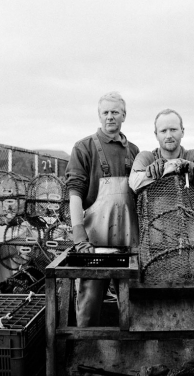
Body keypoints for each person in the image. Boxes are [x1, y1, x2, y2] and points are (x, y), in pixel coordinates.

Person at [65, 91, 139, 327]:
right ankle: (84, 351)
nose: (110, 117)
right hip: (93, 243)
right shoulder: (83, 148)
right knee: (89, 303)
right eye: (105, 112)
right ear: (99, 115)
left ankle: (131, 352)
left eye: (115, 112)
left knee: (132, 302)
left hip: (129, 242)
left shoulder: (135, 152)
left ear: (124, 115)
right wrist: (79, 236)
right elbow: (75, 194)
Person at [129, 109, 194, 193]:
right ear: (156, 135)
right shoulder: (146, 157)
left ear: (182, 131)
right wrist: (170, 167)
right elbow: (134, 183)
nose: (169, 135)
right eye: (163, 131)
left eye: (173, 130)